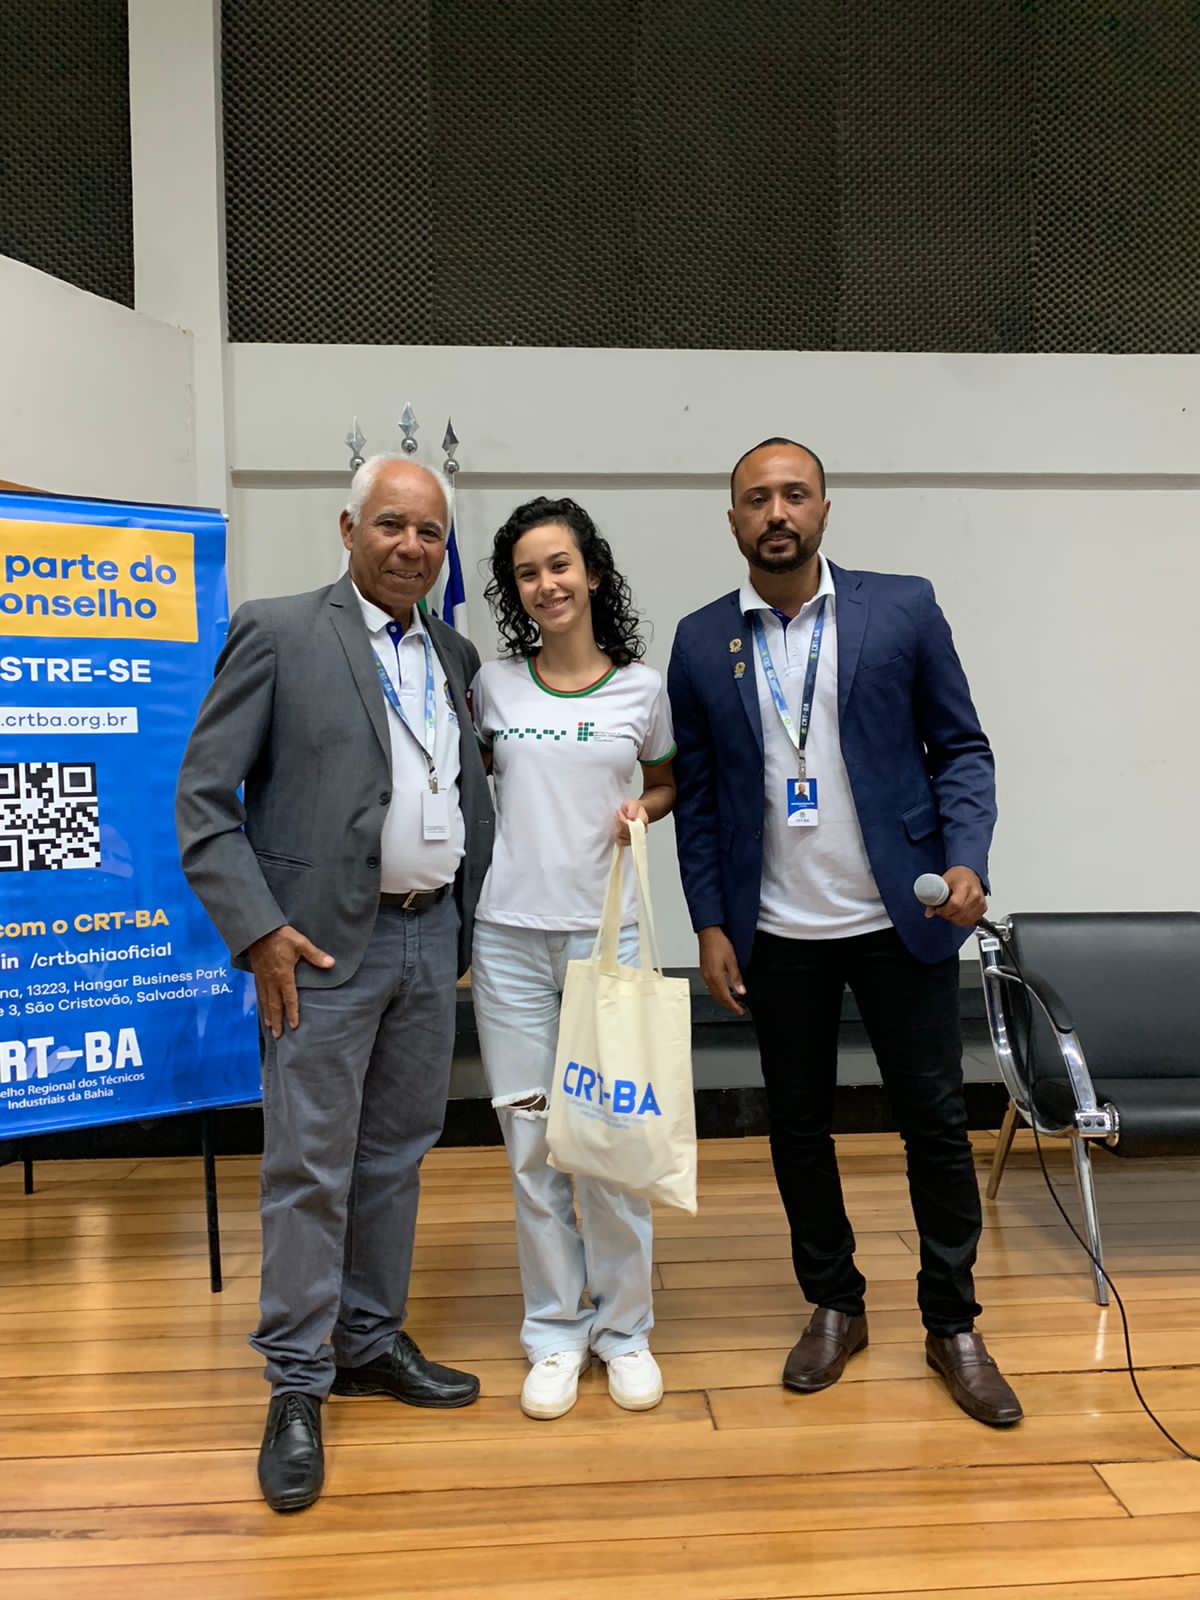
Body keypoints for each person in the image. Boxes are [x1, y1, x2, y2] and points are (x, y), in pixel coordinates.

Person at [667, 437, 1022, 1427]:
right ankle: (835, 1303)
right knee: (797, 1124)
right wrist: (709, 921)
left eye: (795, 494)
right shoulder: (700, 641)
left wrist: (967, 859)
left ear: (825, 509)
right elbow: (698, 799)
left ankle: (952, 1321)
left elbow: (962, 749)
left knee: (934, 1122)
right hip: (776, 929)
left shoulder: (901, 608)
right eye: (757, 498)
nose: (776, 512)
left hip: (901, 917)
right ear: (733, 520)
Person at [175, 454, 494, 1513]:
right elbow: (203, 799)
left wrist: (460, 921)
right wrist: (258, 931)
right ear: (349, 529)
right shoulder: (277, 631)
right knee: (310, 1167)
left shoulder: (452, 650)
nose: (412, 546)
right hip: (313, 951)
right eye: (392, 525)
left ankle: (366, 1339)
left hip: (426, 940)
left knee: (396, 1156)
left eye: (431, 533)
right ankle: (297, 1382)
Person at [469, 496, 676, 1420]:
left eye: (559, 565)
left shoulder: (642, 688)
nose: (546, 584)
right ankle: (555, 1332)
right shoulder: (492, 687)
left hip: (608, 943)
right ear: (514, 591)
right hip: (508, 944)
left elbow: (665, 781)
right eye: (527, 573)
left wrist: (643, 811)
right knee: (533, 1147)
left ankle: (625, 1331)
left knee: (614, 1147)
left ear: (591, 572)